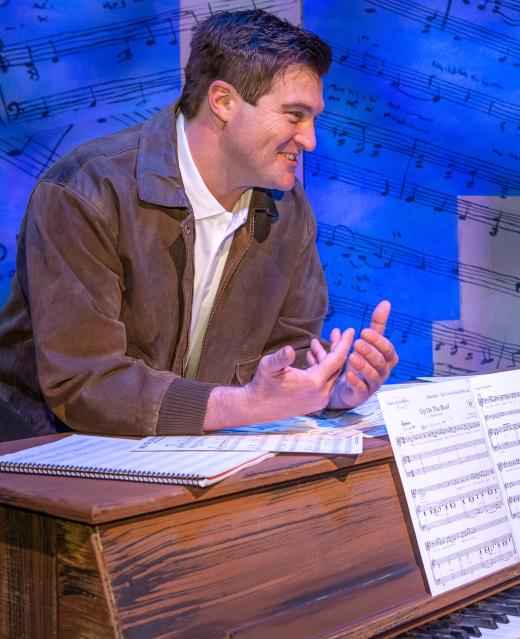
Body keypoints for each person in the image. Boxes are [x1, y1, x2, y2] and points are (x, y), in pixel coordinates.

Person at [0, 10, 398, 441]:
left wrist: (330, 390)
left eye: (313, 119)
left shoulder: (289, 209)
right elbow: (84, 382)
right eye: (294, 115)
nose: (310, 139)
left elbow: (286, 357)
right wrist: (245, 405)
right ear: (223, 101)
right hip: (41, 463)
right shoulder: (86, 190)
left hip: (191, 462)